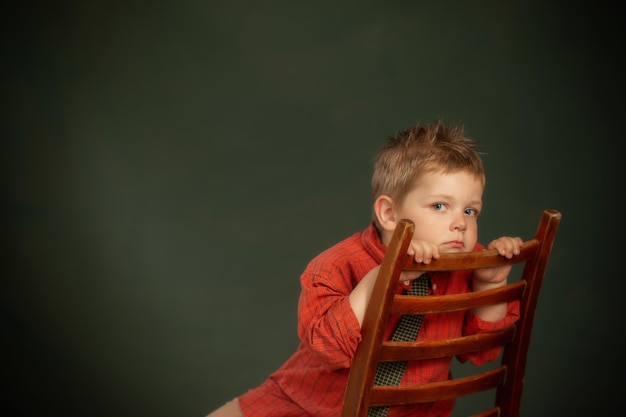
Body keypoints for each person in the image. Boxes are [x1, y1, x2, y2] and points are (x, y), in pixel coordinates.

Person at [206, 120, 522, 417]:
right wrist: (381, 278)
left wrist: (491, 286)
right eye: (439, 206)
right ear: (388, 213)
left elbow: (482, 353)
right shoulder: (337, 264)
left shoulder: (470, 262)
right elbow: (327, 351)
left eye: (471, 210)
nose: (460, 224)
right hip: (311, 405)